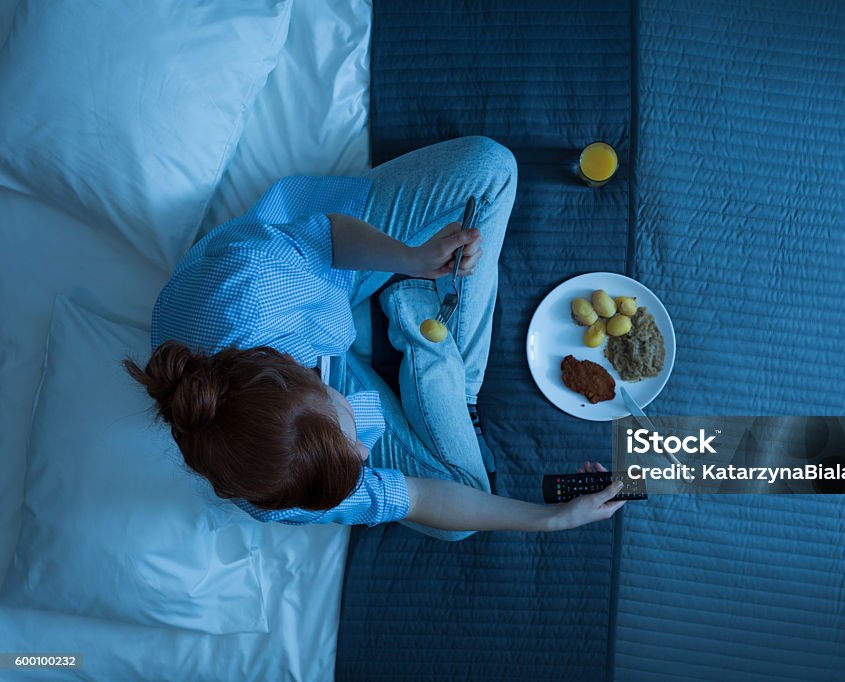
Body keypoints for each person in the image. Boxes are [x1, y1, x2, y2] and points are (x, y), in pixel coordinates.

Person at [124, 136, 624, 541]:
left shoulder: (251, 287)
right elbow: (421, 498)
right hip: (312, 366)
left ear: (302, 376)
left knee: (491, 166)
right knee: (464, 514)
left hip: (324, 272)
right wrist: (550, 518)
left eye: (351, 438)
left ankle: (412, 302)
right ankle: (444, 365)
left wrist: (410, 257)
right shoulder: (274, 490)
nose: (366, 455)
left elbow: (331, 236)